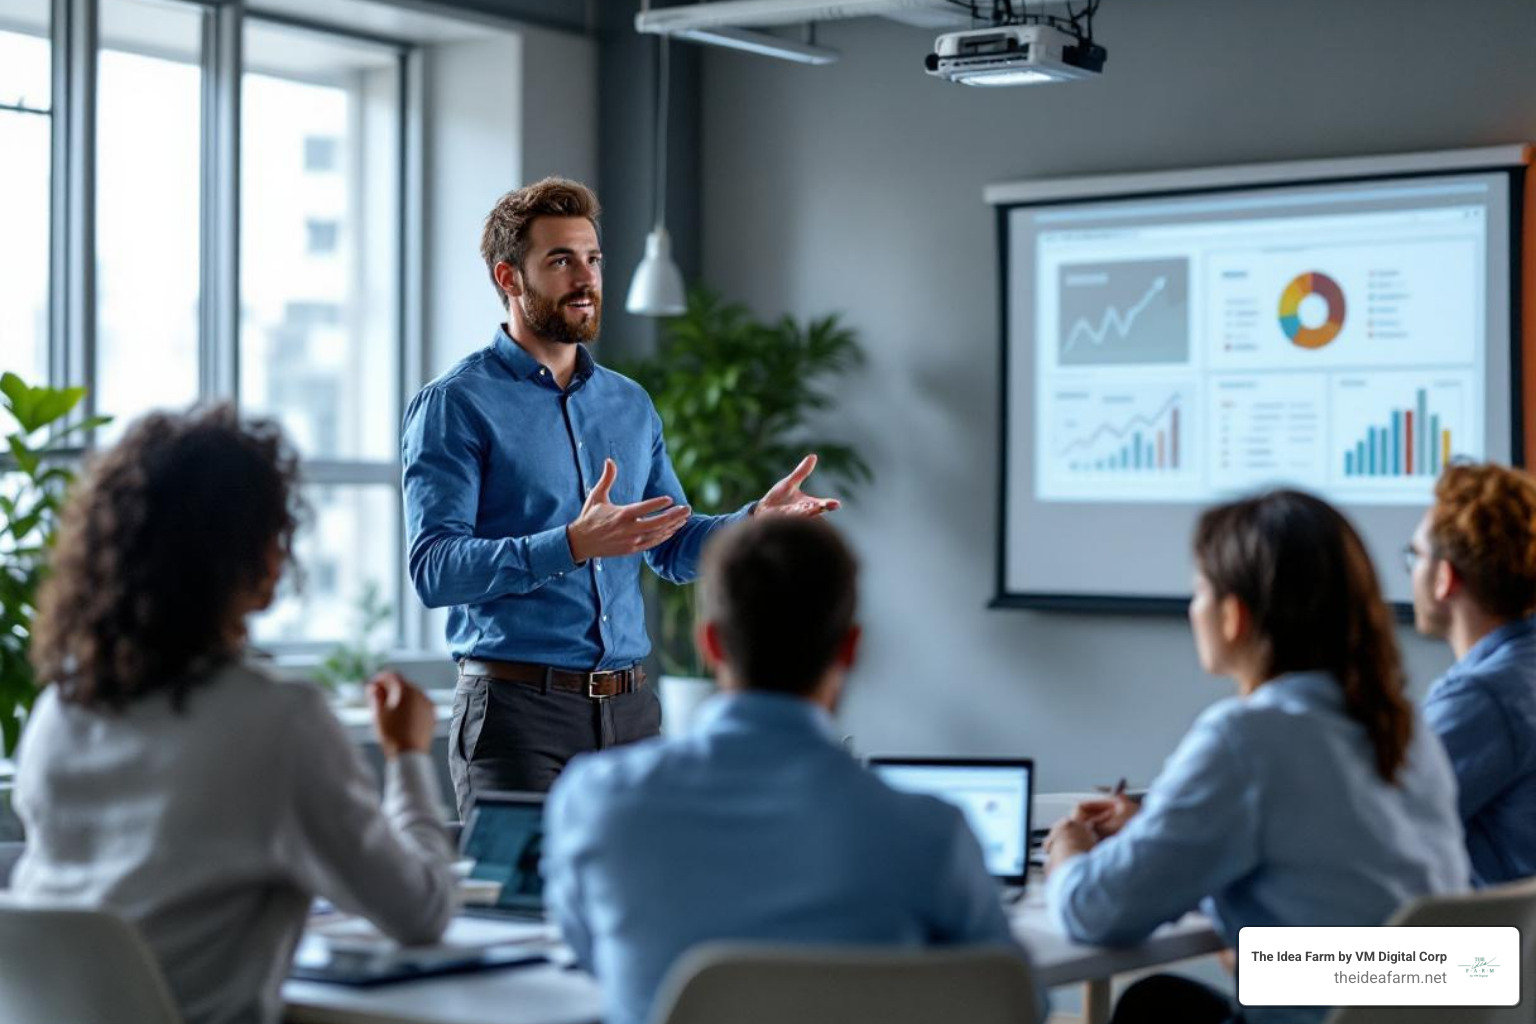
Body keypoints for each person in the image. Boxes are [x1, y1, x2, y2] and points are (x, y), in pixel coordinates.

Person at [401, 177, 837, 814]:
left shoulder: (628, 404)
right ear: (509, 277)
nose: (586, 277)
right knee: (528, 910)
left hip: (631, 715)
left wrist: (754, 524)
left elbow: (671, 545)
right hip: (518, 717)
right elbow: (434, 571)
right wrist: (572, 544)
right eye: (561, 260)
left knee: (639, 903)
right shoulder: (457, 404)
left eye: (593, 259)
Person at [11, 407, 455, 1024]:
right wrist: (407, 756)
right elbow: (420, 912)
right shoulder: (279, 721)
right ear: (250, 552)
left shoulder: (59, 712)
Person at [542, 517, 1039, 1024]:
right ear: (850, 647)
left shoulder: (596, 803)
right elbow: (1014, 1001)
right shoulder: (929, 833)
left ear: (710, 643)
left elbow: (592, 959)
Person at [1043, 490, 1468, 1024]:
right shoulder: (1404, 727)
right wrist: (1153, 828)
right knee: (1159, 1003)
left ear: (1234, 615)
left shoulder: (1246, 737)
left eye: (1200, 589)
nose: (1191, 607)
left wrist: (1068, 852)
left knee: (1150, 1008)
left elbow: (1096, 912)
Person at [1409, 461, 1536, 886]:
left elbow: (1381, 831)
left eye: (1416, 556)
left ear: (1445, 578)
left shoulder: (1484, 700)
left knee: (1269, 953)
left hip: (1482, 952)